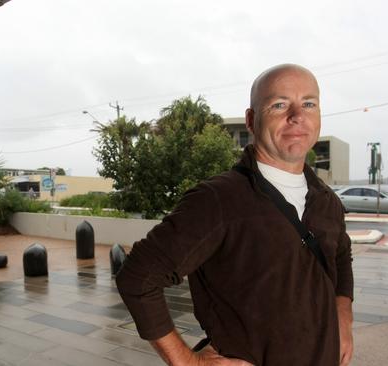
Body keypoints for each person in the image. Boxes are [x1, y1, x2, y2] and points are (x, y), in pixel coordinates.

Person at [115, 64, 354, 366]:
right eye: (279, 105)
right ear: (252, 120)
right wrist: (190, 362)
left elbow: (341, 255)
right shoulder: (217, 200)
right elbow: (138, 277)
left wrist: (343, 313)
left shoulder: (326, 199)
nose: (297, 115)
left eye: (309, 103)